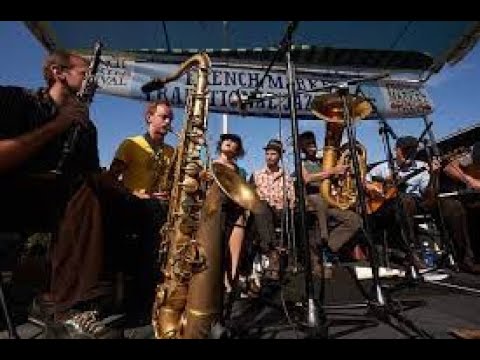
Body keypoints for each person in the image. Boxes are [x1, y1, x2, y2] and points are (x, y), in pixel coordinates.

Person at [108, 99, 176, 322]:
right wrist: (137, 193)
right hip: (135, 204)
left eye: (170, 118)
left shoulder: (171, 151)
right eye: (164, 116)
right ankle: (143, 298)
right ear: (149, 117)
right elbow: (111, 179)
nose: (168, 122)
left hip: (160, 206)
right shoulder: (131, 143)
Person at [365, 136, 433, 268]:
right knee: (401, 201)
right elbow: (365, 179)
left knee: (405, 199)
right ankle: (410, 251)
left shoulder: (422, 167)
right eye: (405, 151)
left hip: (413, 203)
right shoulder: (384, 168)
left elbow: (427, 193)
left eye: (412, 151)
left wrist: (434, 175)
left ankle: (412, 250)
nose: (409, 154)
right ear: (397, 151)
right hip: (387, 207)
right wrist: (370, 187)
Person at [299, 131, 362, 268]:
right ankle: (322, 244)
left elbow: (332, 178)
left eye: (314, 144)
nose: (313, 148)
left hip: (329, 200)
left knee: (355, 220)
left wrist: (344, 173)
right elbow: (307, 179)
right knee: (320, 204)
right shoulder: (301, 163)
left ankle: (328, 248)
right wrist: (332, 171)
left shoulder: (323, 162)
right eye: (309, 145)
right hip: (313, 200)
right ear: (303, 148)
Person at [250, 139, 295, 279]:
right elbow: (249, 196)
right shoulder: (256, 175)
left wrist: (288, 203)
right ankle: (272, 252)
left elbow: (292, 198)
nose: (269, 156)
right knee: (262, 207)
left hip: (281, 212)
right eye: (267, 153)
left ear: (279, 156)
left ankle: (272, 252)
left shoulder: (287, 176)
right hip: (262, 212)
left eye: (273, 154)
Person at [438, 141, 480, 273]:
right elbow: (449, 168)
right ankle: (466, 259)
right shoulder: (475, 152)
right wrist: (470, 180)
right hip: (464, 195)